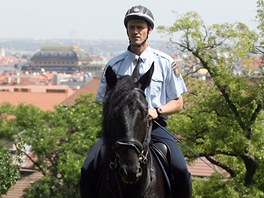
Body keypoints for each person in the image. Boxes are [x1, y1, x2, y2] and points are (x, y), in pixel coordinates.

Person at [81, 5, 192, 197]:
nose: (135, 31)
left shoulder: (165, 62)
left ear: (149, 30)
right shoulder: (114, 65)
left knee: (181, 170)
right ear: (127, 30)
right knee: (88, 168)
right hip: (120, 132)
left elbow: (178, 103)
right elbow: (105, 103)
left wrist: (157, 111)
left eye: (140, 27)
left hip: (155, 127)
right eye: (132, 27)